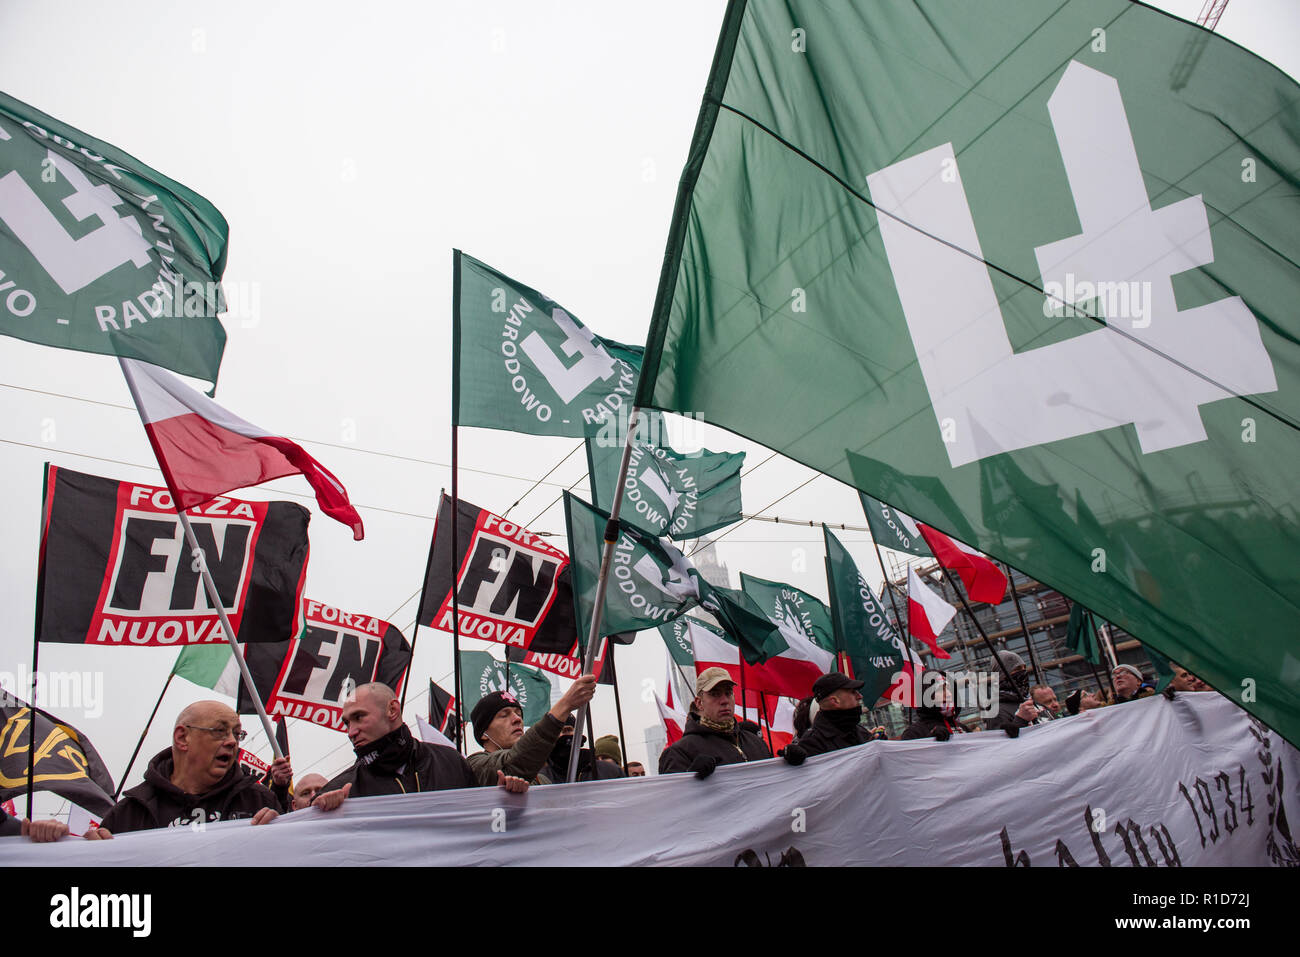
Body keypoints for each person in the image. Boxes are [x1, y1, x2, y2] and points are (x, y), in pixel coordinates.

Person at [313, 683, 515, 810]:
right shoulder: (340, 791)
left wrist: (502, 803)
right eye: (347, 723)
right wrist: (322, 814)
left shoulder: (450, 761)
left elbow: (486, 828)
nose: (351, 732)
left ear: (392, 710)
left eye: (359, 717)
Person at [99, 700, 282, 834]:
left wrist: (281, 831)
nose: (233, 742)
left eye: (237, 734)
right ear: (182, 738)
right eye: (220, 731)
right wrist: (89, 849)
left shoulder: (259, 802)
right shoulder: (129, 813)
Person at [466, 674, 599, 786]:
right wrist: (564, 706)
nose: (517, 719)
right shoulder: (474, 765)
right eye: (504, 715)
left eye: (518, 714)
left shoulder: (543, 781)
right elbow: (514, 764)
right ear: (484, 733)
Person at [658, 668, 770, 778]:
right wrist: (690, 777)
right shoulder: (679, 753)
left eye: (728, 693)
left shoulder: (756, 743)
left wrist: (785, 764)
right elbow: (672, 794)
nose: (724, 700)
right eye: (715, 694)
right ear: (699, 703)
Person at [783, 673, 874, 763]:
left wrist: (877, 745)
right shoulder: (813, 743)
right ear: (835, 701)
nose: (860, 696)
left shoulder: (859, 731)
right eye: (853, 692)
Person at [986, 651, 1049, 735]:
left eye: (1024, 668)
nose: (1023, 672)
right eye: (1017, 669)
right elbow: (1000, 744)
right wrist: (1020, 720)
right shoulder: (996, 711)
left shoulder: (1035, 704)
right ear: (1002, 675)